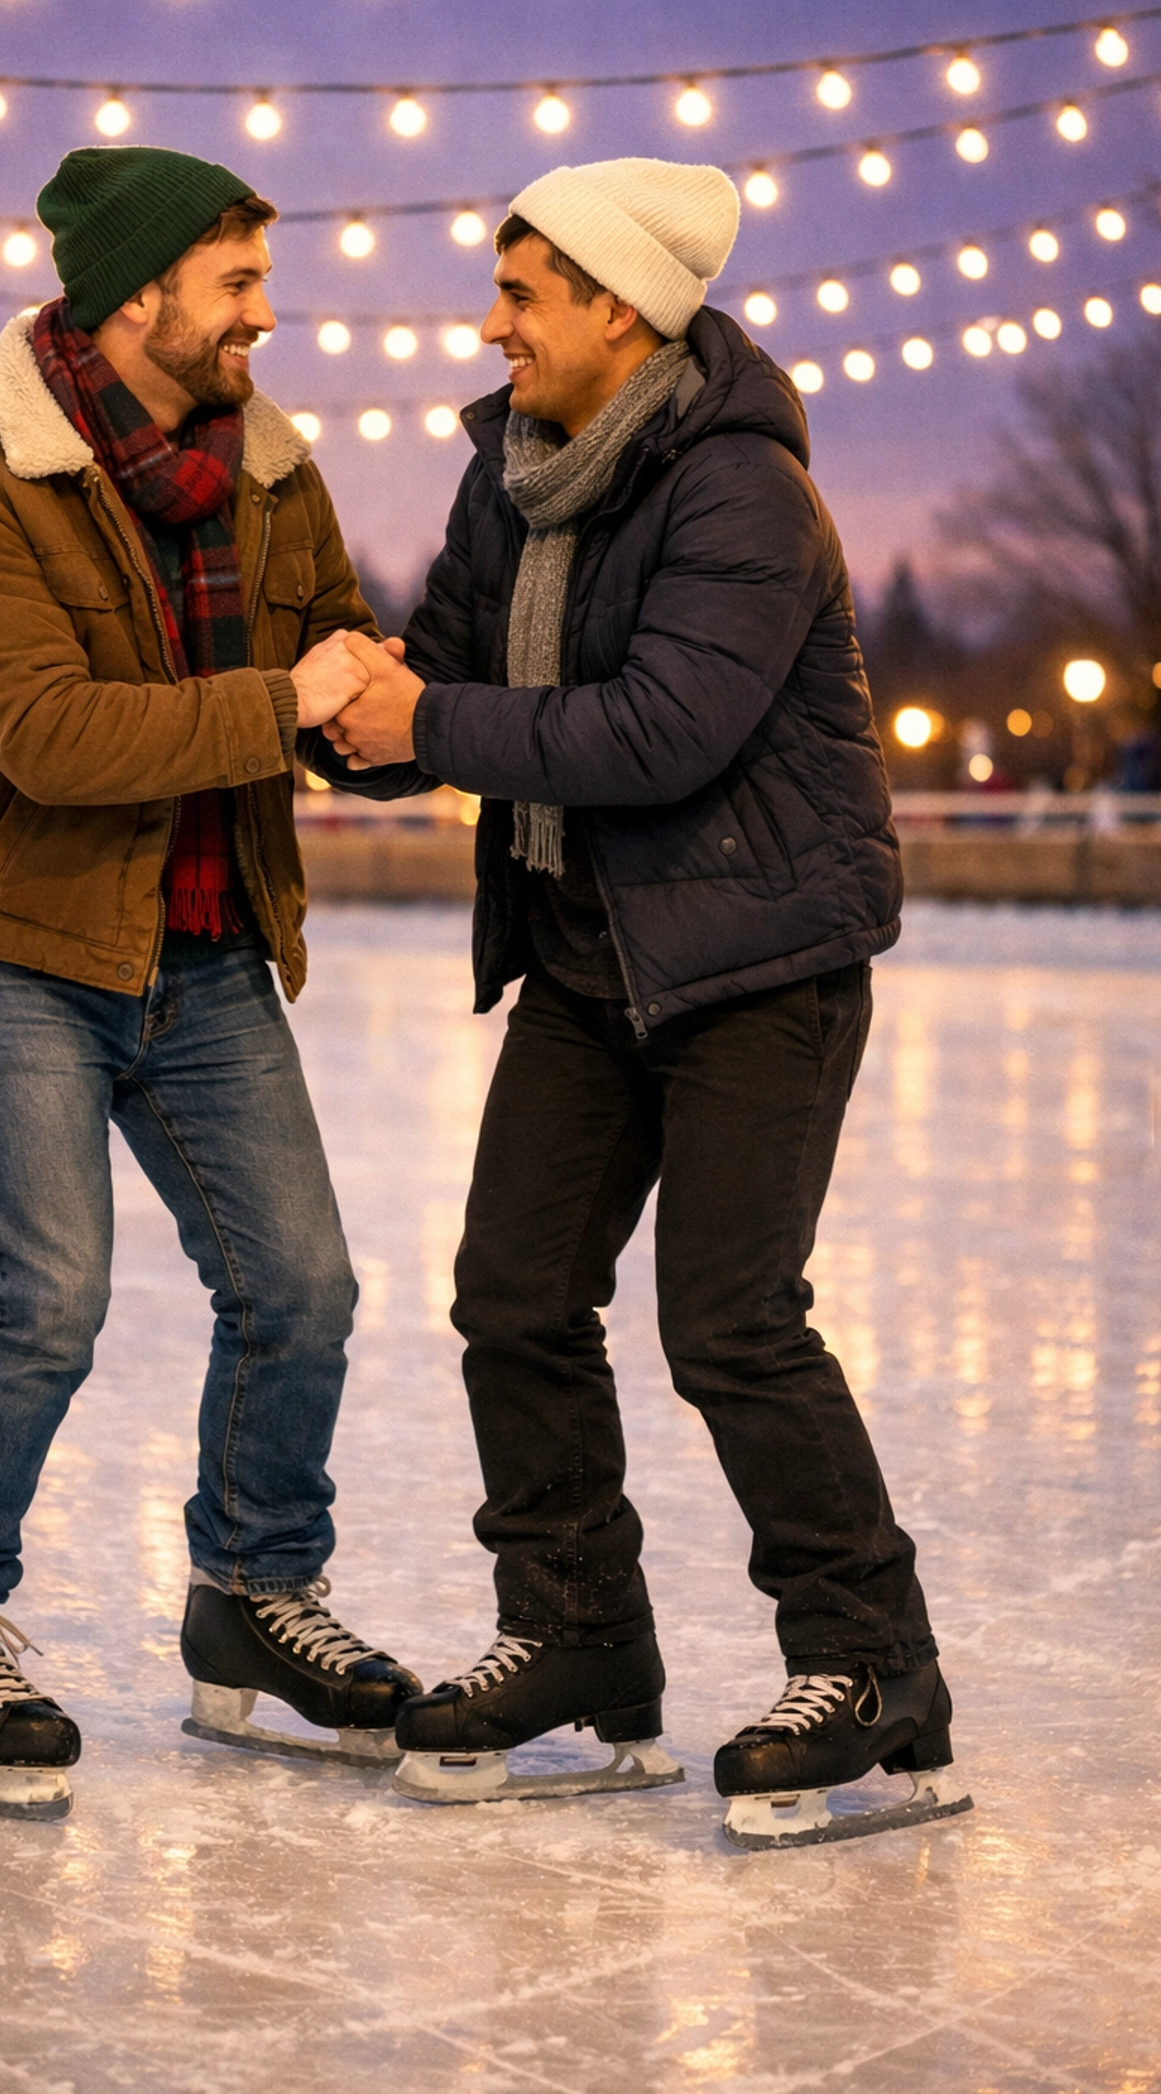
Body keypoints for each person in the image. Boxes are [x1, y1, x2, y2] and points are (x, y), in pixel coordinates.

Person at [318, 157, 969, 1848]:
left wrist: (425, 726)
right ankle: (583, 1636)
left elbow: (657, 733)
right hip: (590, 952)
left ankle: (872, 1667)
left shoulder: (744, 489)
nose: (493, 324)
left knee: (731, 1322)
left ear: (621, 305)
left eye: (524, 293)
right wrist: (332, 701)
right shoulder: (513, 472)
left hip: (761, 958)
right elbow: (443, 685)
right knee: (514, 1295)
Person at [0, 146, 420, 1822]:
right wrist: (290, 699)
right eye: (236, 281)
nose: (265, 310)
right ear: (140, 292)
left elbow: (333, 678)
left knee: (301, 1285)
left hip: (209, 941)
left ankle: (251, 1600)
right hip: (17, 946)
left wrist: (407, 710)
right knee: (43, 1297)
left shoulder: (272, 476)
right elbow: (48, 735)